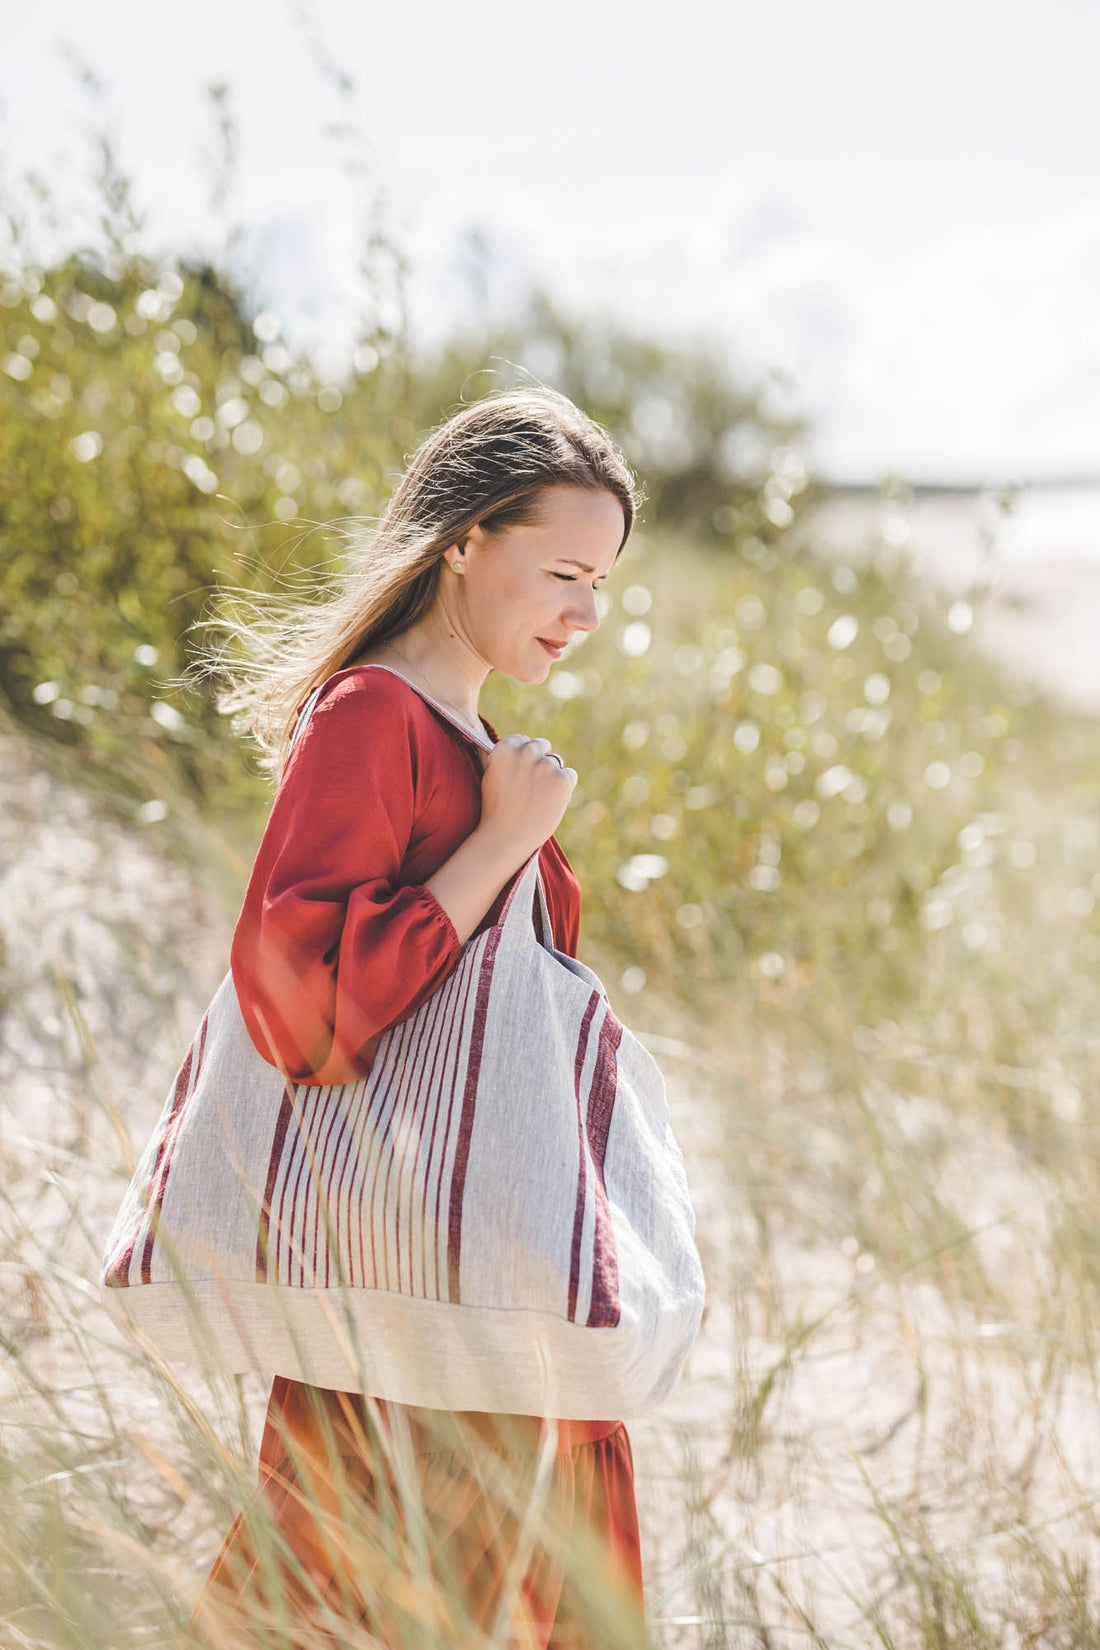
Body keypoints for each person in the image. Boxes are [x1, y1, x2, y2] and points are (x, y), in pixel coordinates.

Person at [189, 386, 649, 1649]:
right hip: (418, 1287)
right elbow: (297, 1013)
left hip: (479, 1274)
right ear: (462, 540)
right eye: (563, 573)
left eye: (602, 584)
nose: (586, 615)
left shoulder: (467, 734)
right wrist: (499, 844)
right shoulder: (372, 716)